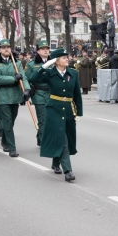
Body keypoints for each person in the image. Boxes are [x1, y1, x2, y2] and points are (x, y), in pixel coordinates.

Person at [29, 48, 83, 182]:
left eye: (67, 57)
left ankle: (55, 162)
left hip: (69, 109)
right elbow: (33, 78)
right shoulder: (49, 73)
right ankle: (68, 170)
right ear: (56, 61)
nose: (67, 59)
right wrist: (44, 66)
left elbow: (77, 94)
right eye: (64, 57)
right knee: (62, 138)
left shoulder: (73, 73)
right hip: (54, 109)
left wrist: (79, 112)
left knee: (66, 137)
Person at [0, 39, 30, 157]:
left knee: (11, 121)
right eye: (4, 47)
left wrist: (27, 89)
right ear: (0, 49)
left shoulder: (16, 63)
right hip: (2, 95)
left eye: (8, 47)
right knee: (7, 121)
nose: (6, 49)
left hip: (15, 94)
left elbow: (23, 77)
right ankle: (12, 148)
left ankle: (4, 141)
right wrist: (13, 79)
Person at [25, 40, 51, 146]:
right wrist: (27, 90)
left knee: (50, 119)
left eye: (47, 48)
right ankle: (44, 140)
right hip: (39, 93)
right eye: (43, 49)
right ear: (38, 51)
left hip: (52, 93)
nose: (45, 50)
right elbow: (26, 78)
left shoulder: (54, 62)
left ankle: (40, 136)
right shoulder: (32, 64)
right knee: (42, 119)